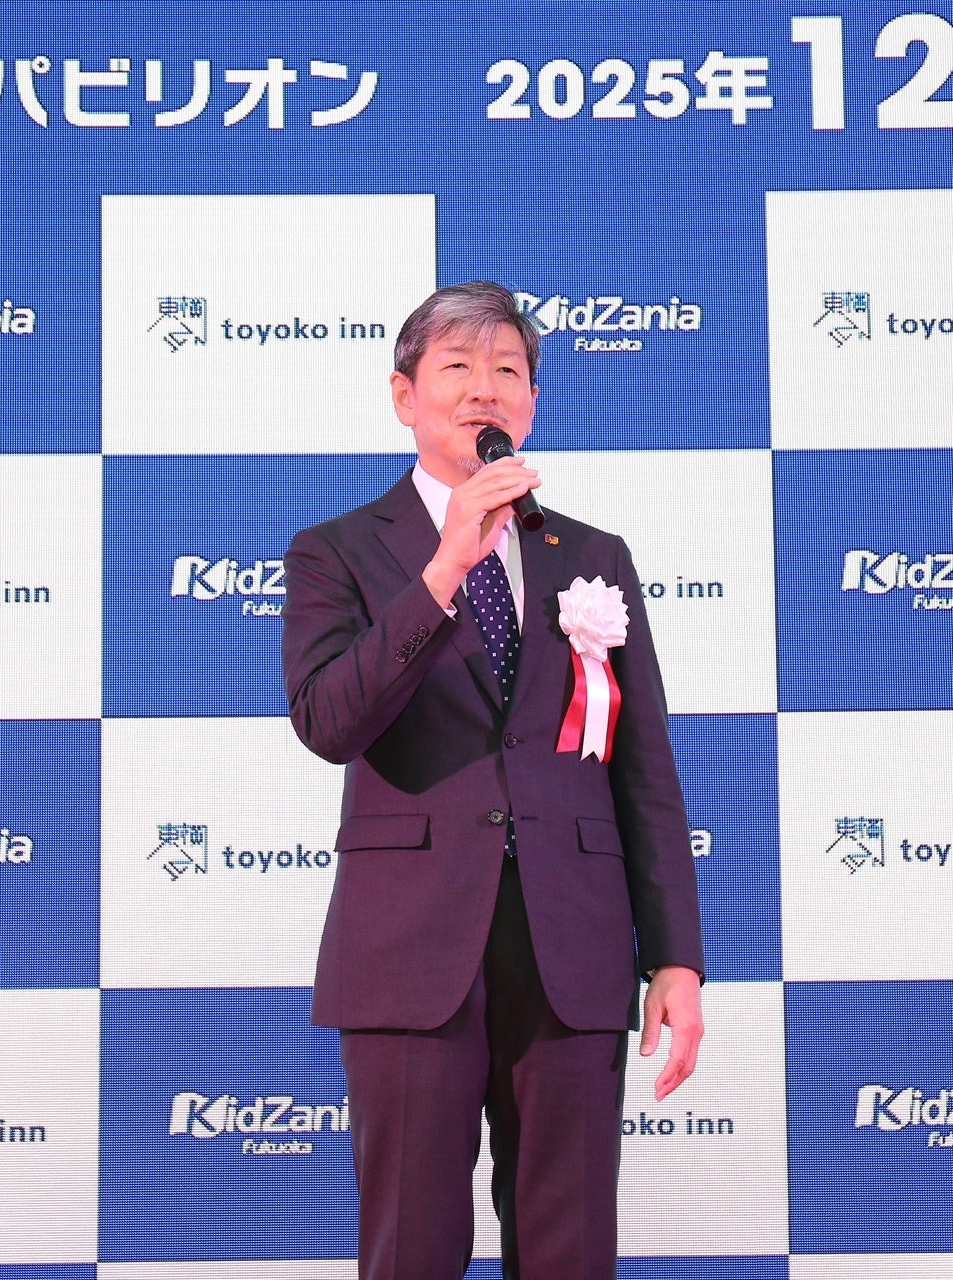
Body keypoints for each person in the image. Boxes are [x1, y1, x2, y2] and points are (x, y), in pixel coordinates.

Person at [281, 280, 705, 1279]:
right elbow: (329, 721)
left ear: (532, 403)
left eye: (508, 370)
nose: (486, 389)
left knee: (570, 1249)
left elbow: (643, 770)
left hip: (573, 943)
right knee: (411, 1248)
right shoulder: (337, 551)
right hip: (409, 947)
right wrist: (443, 568)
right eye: (459, 367)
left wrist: (676, 960)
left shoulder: (591, 555)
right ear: (404, 394)